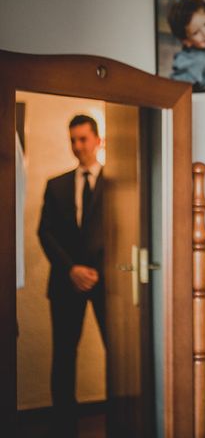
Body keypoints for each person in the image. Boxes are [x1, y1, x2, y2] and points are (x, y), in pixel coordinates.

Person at [38, 115, 105, 437]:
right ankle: (64, 427)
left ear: (97, 140)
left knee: (120, 354)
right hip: (66, 283)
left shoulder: (119, 181)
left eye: (83, 139)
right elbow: (45, 232)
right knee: (64, 356)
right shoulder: (56, 185)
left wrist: (98, 272)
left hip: (109, 285)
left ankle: (124, 418)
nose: (78, 146)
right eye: (73, 140)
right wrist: (71, 269)